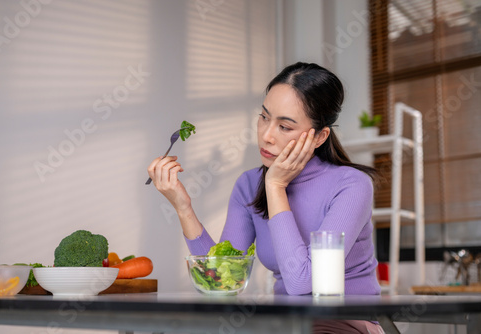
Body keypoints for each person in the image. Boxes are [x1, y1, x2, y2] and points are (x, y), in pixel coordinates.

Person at [148, 62, 384, 333]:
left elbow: (300, 283)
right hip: (284, 325)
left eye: (285, 126)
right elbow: (222, 282)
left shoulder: (351, 185)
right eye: (264, 117)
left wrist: (275, 187)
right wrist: (183, 207)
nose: (266, 135)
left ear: (319, 137)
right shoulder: (248, 185)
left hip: (345, 324)